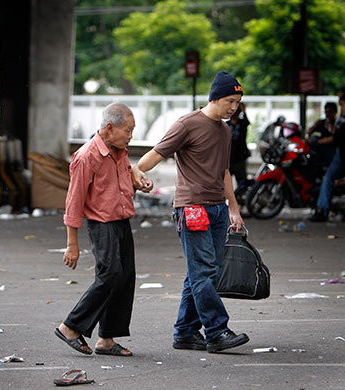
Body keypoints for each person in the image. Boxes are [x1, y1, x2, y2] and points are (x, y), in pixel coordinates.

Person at [131, 71, 249, 353]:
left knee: (203, 272)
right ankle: (217, 331)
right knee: (204, 272)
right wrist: (137, 170)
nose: (234, 108)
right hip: (192, 208)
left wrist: (234, 208)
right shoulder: (187, 124)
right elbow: (157, 153)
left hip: (218, 209)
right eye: (230, 101)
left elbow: (224, 172)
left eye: (238, 102)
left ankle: (185, 332)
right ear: (215, 97)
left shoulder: (225, 131)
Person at [55, 103, 148, 357]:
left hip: (121, 221)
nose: (131, 136)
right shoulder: (86, 157)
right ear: (109, 128)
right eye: (128, 130)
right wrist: (72, 244)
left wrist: (138, 182)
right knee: (110, 274)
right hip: (101, 224)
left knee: (125, 276)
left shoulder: (120, 151)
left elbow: (121, 184)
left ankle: (106, 338)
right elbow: (73, 203)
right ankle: (70, 326)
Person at [309, 92, 345, 222]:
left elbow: (335, 139)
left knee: (328, 178)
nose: (342, 109)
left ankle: (322, 210)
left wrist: (316, 142)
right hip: (343, 156)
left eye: (343, 106)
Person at [306, 102, 337, 167]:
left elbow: (334, 138)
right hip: (320, 149)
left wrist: (317, 142)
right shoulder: (322, 122)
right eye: (326, 112)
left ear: (335, 112)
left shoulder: (338, 124)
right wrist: (315, 124)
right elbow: (308, 131)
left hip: (332, 150)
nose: (328, 114)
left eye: (330, 112)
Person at [227, 102, 250, 187]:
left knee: (242, 180)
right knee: (226, 181)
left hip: (240, 157)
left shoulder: (242, 124)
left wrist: (244, 110)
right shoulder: (226, 125)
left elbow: (246, 122)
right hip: (228, 158)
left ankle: (241, 197)